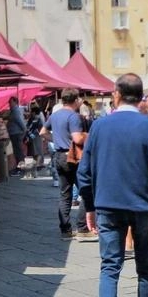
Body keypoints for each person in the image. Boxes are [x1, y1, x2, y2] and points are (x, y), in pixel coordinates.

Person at [78, 73, 148, 297]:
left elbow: (84, 173)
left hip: (108, 205)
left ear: (117, 95)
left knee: (110, 268)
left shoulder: (99, 126)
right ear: (141, 97)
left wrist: (90, 206)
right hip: (145, 207)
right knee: (147, 269)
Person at [41, 89, 96, 241]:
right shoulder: (74, 117)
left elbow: (42, 132)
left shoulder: (55, 115)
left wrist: (57, 140)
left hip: (59, 155)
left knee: (65, 194)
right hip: (74, 157)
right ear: (75, 100)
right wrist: (91, 136)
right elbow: (77, 139)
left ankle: (65, 229)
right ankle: (82, 227)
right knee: (86, 191)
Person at [2, 96, 27, 175]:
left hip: (16, 134)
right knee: (18, 151)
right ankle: (20, 167)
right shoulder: (14, 110)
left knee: (18, 151)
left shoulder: (15, 111)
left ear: (15, 102)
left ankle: (20, 169)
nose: (9, 103)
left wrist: (24, 130)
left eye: (10, 102)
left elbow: (20, 122)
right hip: (15, 133)